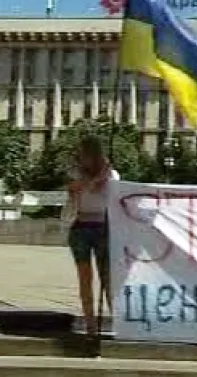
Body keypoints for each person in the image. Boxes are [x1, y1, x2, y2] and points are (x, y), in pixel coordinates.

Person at [65, 135, 119, 336]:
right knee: (85, 278)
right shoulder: (75, 174)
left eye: (84, 154)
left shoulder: (112, 175)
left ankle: (118, 321)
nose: (81, 158)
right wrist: (97, 178)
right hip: (80, 226)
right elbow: (79, 188)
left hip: (103, 227)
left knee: (107, 278)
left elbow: (116, 194)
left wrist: (105, 175)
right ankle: (90, 325)